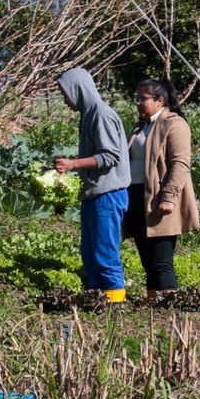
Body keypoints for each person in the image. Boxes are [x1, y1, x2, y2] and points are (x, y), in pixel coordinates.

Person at [53, 67, 131, 303]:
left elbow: (111, 156)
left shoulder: (101, 114)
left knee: (105, 254)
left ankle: (115, 305)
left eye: (66, 94)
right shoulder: (89, 114)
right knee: (91, 255)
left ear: (78, 90)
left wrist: (73, 164)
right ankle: (97, 301)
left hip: (107, 195)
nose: (65, 100)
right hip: (95, 195)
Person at [124, 79, 200, 300]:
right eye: (137, 98)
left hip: (158, 198)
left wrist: (168, 197)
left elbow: (180, 163)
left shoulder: (175, 124)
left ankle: (167, 309)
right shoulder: (140, 126)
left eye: (143, 98)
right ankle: (153, 306)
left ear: (159, 101)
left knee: (161, 260)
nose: (138, 103)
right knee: (147, 260)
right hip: (136, 196)